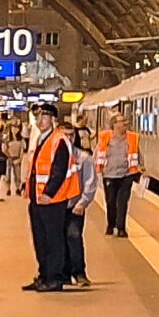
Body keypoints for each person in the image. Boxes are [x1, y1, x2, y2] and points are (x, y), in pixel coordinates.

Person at [22, 103, 78, 292]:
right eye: (37, 117)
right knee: (40, 239)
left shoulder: (58, 140)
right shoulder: (41, 139)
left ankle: (54, 278)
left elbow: (59, 170)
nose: (39, 120)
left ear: (53, 119)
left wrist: (49, 193)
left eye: (43, 117)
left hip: (52, 200)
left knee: (53, 239)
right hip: (37, 199)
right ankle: (44, 274)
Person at [63, 121, 99, 290]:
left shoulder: (84, 158)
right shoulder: (50, 157)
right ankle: (63, 274)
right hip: (55, 207)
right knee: (58, 241)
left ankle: (79, 273)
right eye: (65, 135)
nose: (69, 139)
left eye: (71, 135)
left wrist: (83, 202)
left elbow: (90, 182)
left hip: (75, 205)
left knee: (74, 236)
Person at [94, 109, 137, 237]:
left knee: (122, 202)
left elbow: (137, 153)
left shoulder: (131, 138)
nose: (125, 123)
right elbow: (97, 153)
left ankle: (121, 228)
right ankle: (111, 224)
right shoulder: (106, 138)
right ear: (114, 124)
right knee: (111, 202)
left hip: (126, 175)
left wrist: (141, 169)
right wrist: (97, 170)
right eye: (122, 121)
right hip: (109, 175)